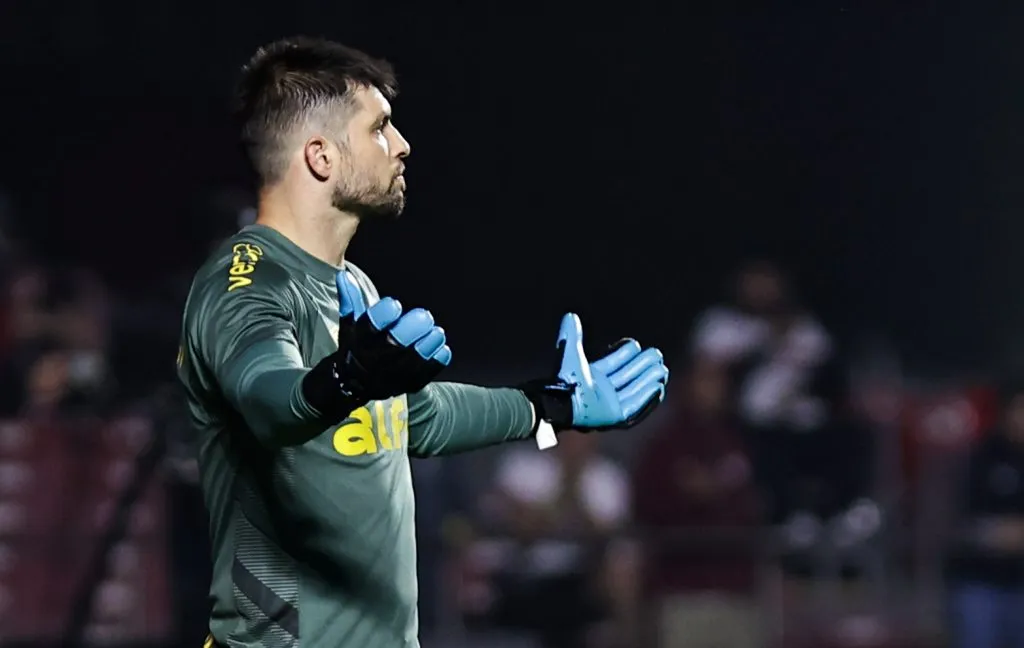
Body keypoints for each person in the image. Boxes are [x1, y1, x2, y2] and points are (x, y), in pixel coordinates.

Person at [176, 36, 669, 648]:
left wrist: (552, 406)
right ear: (320, 156)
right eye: (380, 127)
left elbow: (417, 417)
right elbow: (268, 396)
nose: (403, 145)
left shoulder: (348, 284)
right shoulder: (244, 280)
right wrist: (344, 378)